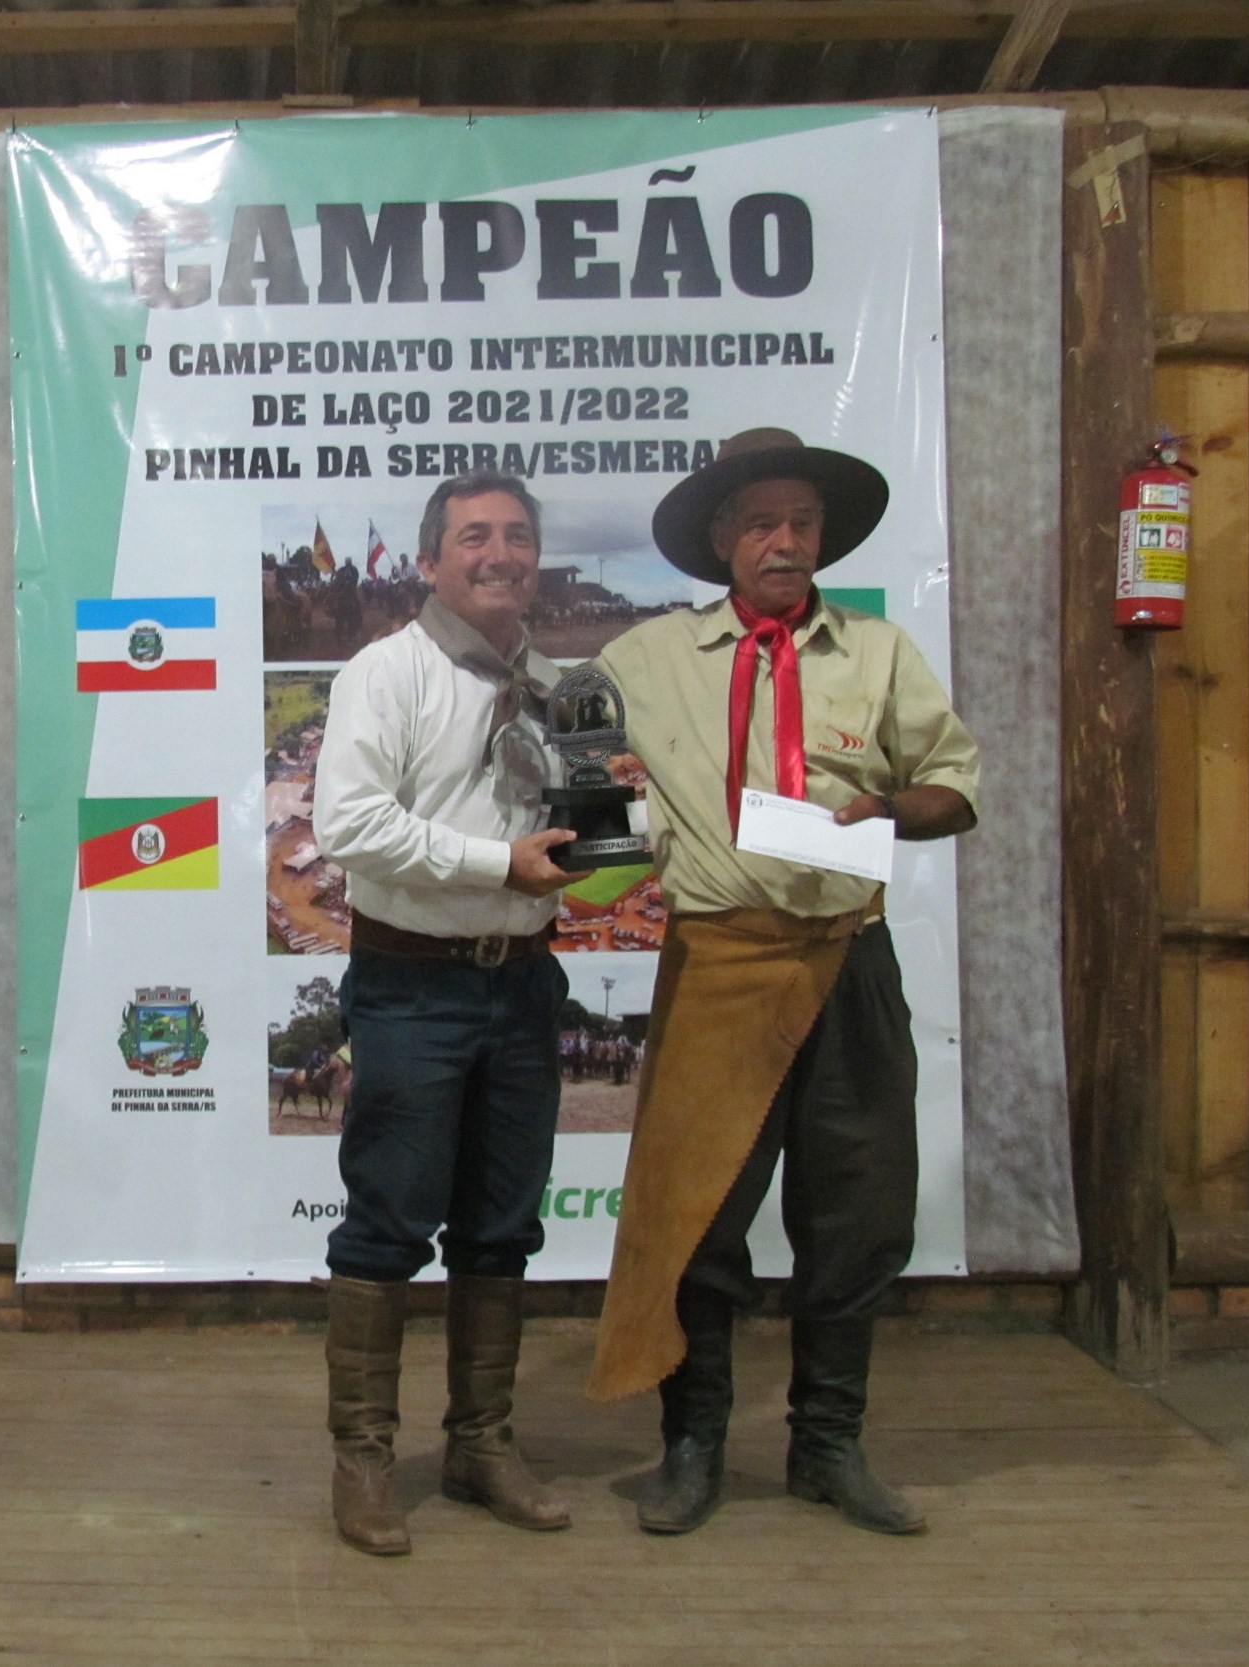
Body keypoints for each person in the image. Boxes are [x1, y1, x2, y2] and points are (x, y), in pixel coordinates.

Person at [587, 427, 979, 1538]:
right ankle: (693, 1443)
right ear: (722, 538)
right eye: (761, 522)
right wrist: (594, 790)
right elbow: (566, 759)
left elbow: (954, 784)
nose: (785, 541)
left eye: (802, 521)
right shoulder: (645, 657)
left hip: (849, 957)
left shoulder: (880, 652)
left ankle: (828, 1443)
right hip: (719, 959)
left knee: (858, 1211)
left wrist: (892, 807)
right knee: (697, 1213)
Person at [311, 471, 582, 1557]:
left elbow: (584, 818)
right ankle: (362, 1455)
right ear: (429, 561)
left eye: (517, 535)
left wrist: (618, 838)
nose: (499, 553)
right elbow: (348, 826)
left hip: (523, 982)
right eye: (474, 536)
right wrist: (498, 862)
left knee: (502, 1222)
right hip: (413, 982)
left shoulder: (560, 685)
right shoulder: (386, 672)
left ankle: (479, 1442)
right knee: (387, 1221)